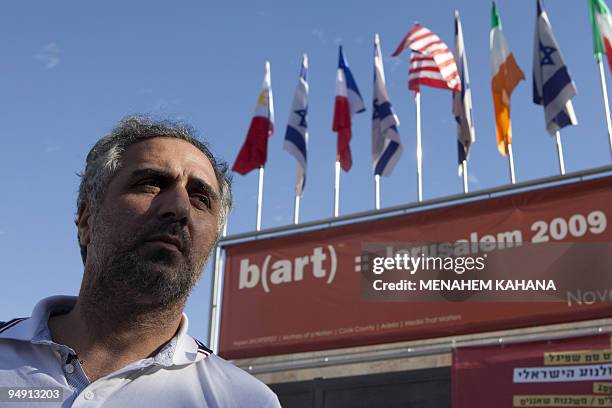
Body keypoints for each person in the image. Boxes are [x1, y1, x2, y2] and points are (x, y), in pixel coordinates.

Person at [0, 116, 281, 407]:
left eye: (200, 198)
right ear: (87, 220)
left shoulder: (243, 401)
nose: (179, 207)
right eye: (151, 184)